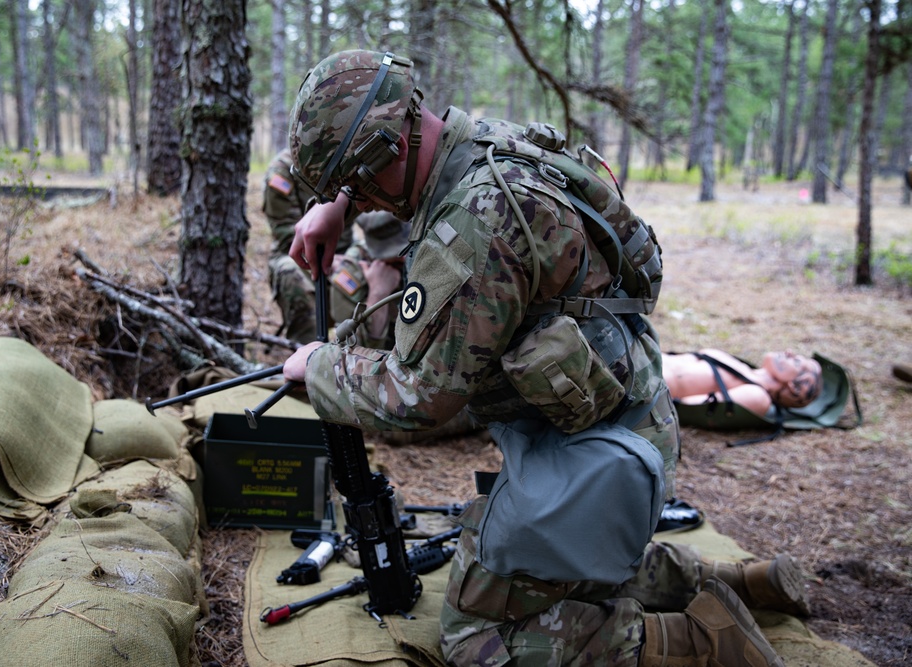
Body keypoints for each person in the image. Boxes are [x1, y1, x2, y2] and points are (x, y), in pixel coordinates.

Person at [282, 50, 788, 666]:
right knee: (539, 567)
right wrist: (338, 205)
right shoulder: (487, 142)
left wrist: (317, 367)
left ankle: (703, 641)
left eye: (360, 183)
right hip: (628, 411)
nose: (363, 200)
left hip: (601, 461)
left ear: (389, 148)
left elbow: (421, 396)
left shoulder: (472, 229)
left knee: (480, 642)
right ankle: (728, 580)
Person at [262, 148, 356, 343]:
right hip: (297, 257)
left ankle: (361, 360)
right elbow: (285, 233)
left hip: (344, 255)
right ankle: (305, 355)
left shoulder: (344, 160)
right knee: (290, 275)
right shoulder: (283, 170)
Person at [330, 211, 410, 349]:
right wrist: (378, 294)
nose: (404, 257)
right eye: (395, 254)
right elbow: (348, 351)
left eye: (408, 248)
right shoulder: (352, 271)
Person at [663, 349, 823, 415]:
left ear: (794, 388)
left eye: (796, 362)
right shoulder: (745, 369)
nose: (789, 351)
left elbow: (689, 408)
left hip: (647, 382)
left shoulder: (758, 396)